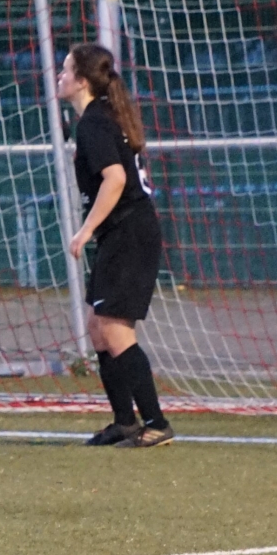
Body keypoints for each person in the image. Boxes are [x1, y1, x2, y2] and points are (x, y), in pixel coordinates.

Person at [60, 42, 172, 448]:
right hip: (124, 233)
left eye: (66, 70)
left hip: (129, 233)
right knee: (97, 327)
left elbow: (116, 179)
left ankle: (156, 422)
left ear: (82, 81)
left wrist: (85, 230)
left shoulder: (94, 123)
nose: (60, 76)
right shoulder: (101, 117)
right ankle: (124, 421)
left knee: (113, 327)